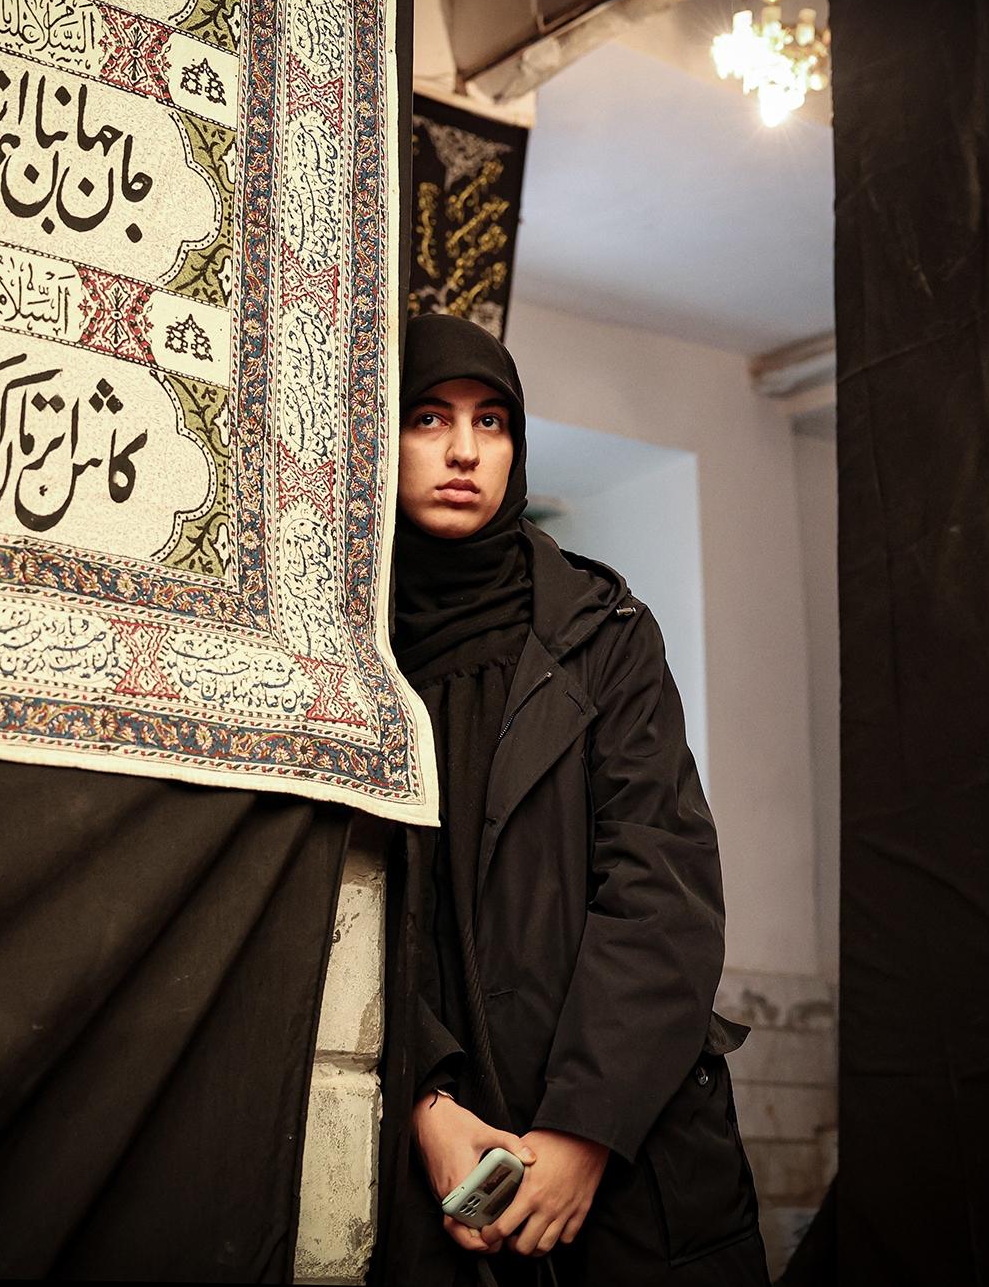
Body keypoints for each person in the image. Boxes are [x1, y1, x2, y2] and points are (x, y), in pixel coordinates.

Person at [375, 313, 767, 1286]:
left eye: (491, 421)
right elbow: (333, 902)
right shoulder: (342, 657)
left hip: (630, 1164)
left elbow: (662, 884)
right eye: (427, 417)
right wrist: (424, 1101)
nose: (464, 451)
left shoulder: (605, 635)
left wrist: (585, 1126)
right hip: (433, 1170)